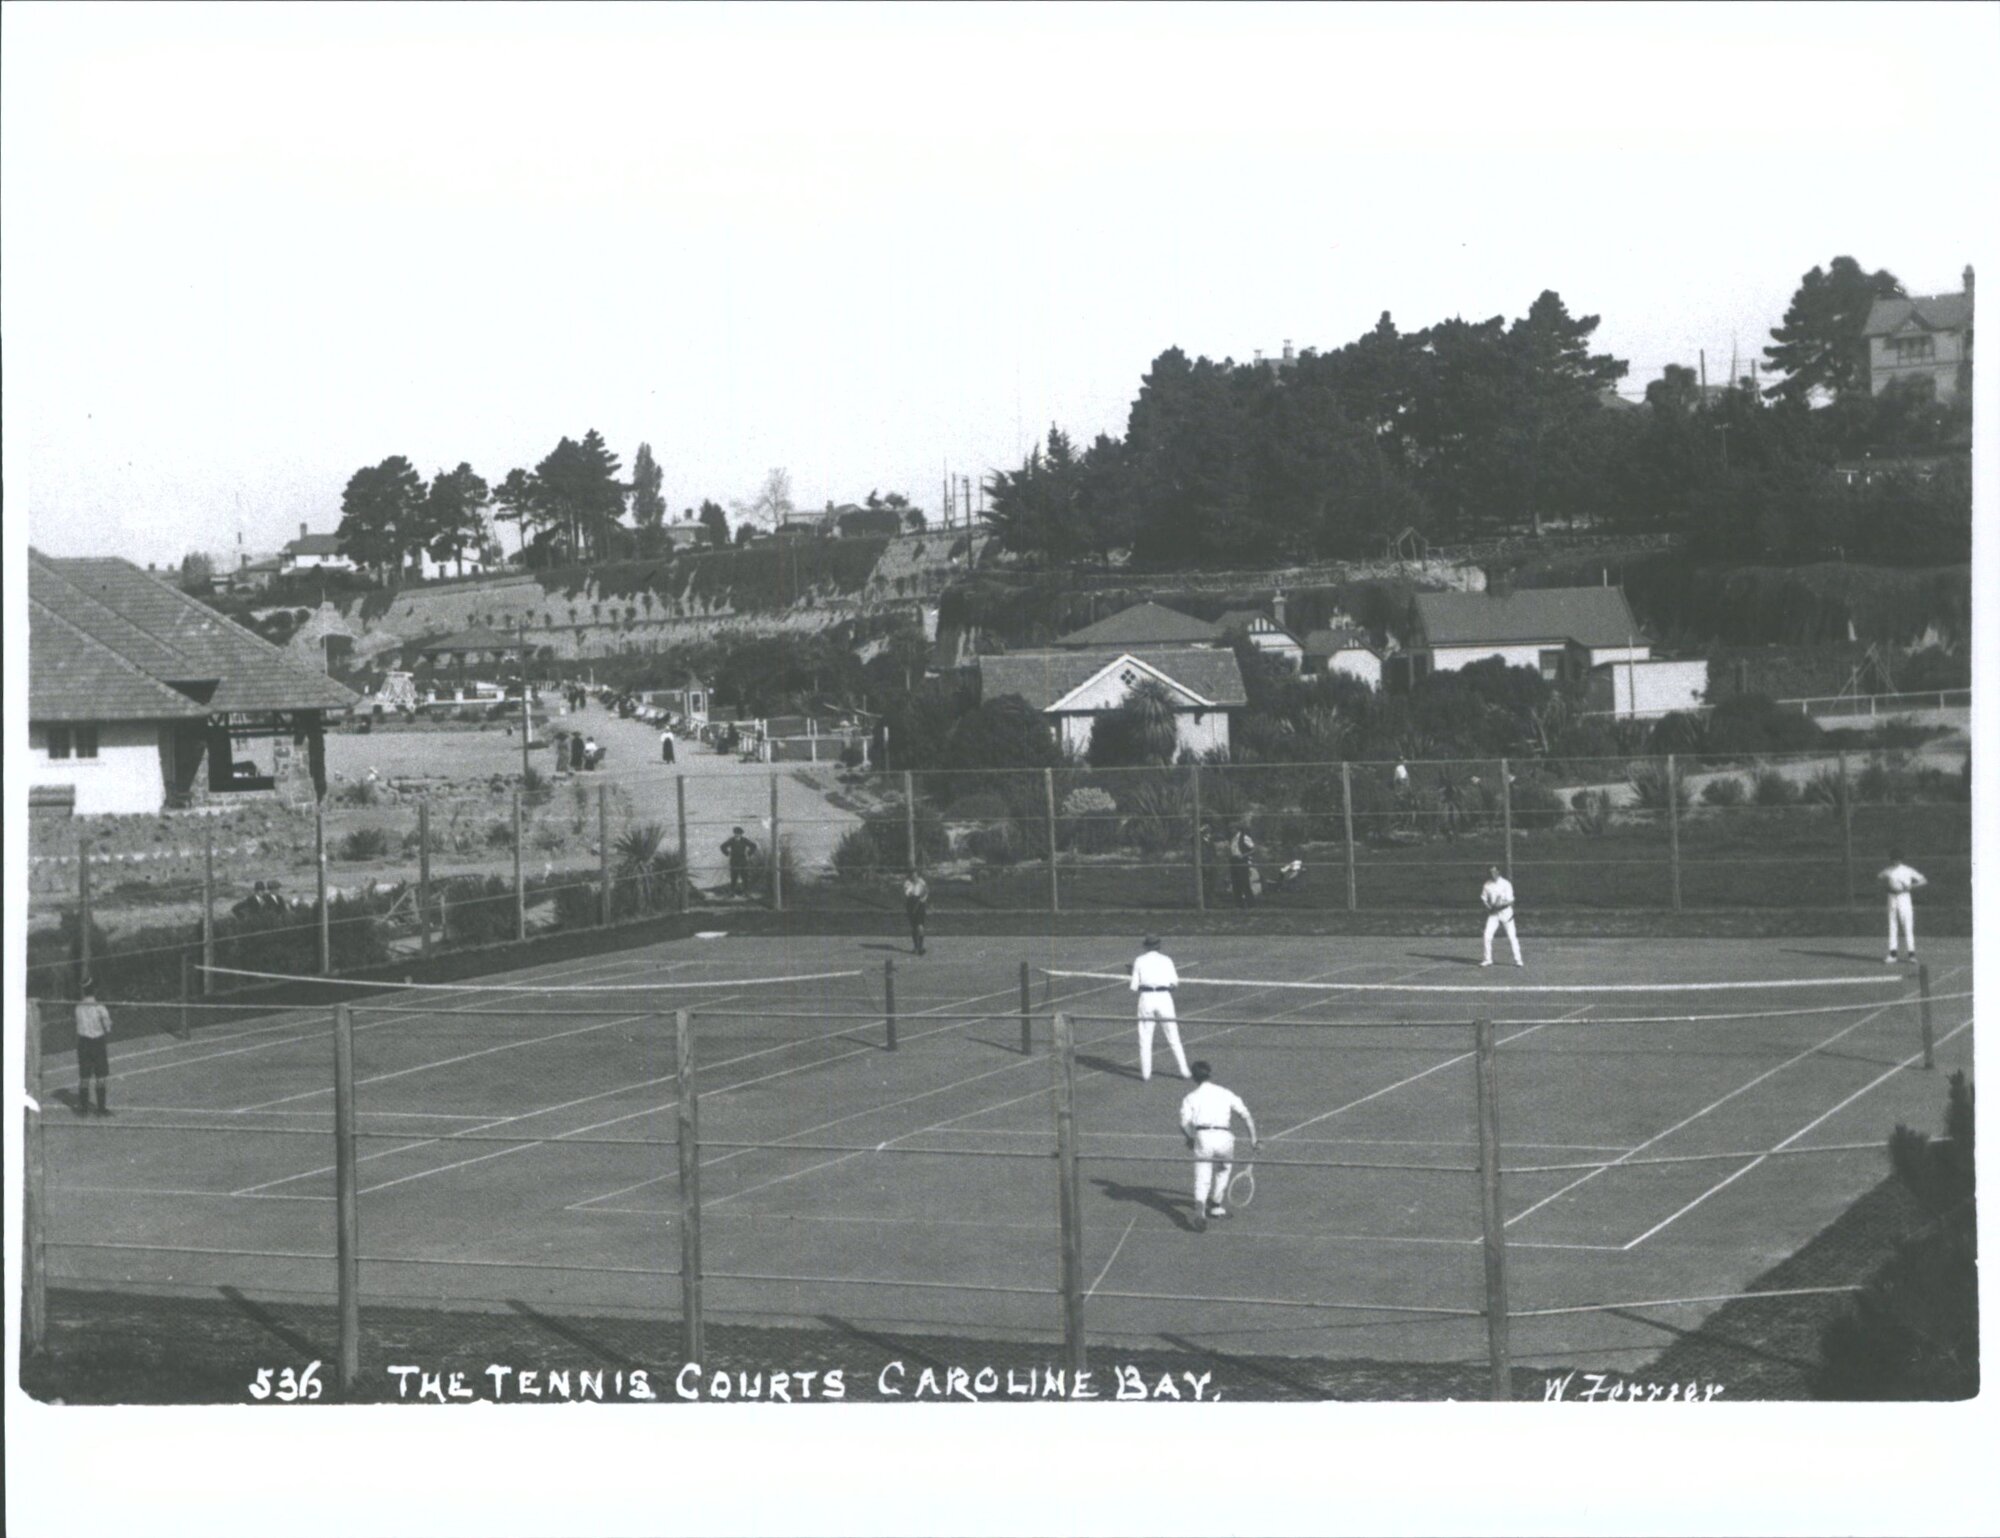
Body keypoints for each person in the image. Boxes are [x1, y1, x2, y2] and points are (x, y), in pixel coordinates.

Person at [1179, 1061, 1257, 1232]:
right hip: (1224, 1139)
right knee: (1223, 1170)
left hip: (1203, 1137)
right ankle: (1215, 1206)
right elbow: (1245, 1115)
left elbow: (1184, 1124)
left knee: (1202, 1177)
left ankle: (1200, 1213)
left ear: (1194, 1077)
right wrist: (1254, 1140)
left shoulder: (1190, 1098)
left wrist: (1191, 1137)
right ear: (1210, 1073)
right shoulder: (1225, 1093)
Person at [1130, 935, 1191, 1082]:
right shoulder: (1166, 960)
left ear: (1145, 946)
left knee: (1145, 1036)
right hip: (1164, 997)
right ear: (1158, 946)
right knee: (1173, 1035)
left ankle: (1146, 1074)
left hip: (1146, 997)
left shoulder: (1139, 960)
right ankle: (1184, 1071)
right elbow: (1174, 983)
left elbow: (1134, 986)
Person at [1878, 848, 1928, 964]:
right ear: (1891, 860)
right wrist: (1886, 886)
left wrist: (1911, 886)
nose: (1896, 861)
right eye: (1894, 859)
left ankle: (1911, 955)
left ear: (1901, 860)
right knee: (1892, 925)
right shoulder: (1888, 871)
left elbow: (1923, 880)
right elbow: (1879, 878)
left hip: (1904, 898)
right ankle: (1892, 954)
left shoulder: (1907, 870)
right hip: (1891, 898)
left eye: (1898, 859)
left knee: (1907, 925)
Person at [74, 978, 113, 1117]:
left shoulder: (78, 1007)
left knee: (84, 1077)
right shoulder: (99, 1007)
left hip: (83, 1043)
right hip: (97, 1043)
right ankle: (101, 1109)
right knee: (101, 1076)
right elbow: (108, 1027)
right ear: (94, 990)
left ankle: (83, 1110)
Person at [1480, 864, 1523, 967]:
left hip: (1506, 914)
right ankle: (1488, 959)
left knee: (1512, 937)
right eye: (1491, 872)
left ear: (1499, 872)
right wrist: (1489, 907)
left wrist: (1499, 905)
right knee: (1487, 936)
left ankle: (1518, 960)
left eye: (1495, 872)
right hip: (1493, 915)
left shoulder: (1506, 884)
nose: (1493, 874)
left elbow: (1511, 901)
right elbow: (1484, 899)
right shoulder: (1487, 884)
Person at [1227, 823, 1257, 909]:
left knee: (1244, 882)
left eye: (1232, 828)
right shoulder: (1233, 838)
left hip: (1242, 861)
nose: (1231, 830)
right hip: (1234, 861)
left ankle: (1251, 904)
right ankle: (1239, 905)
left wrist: (1243, 855)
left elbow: (1254, 849)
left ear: (1237, 829)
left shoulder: (1244, 837)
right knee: (1236, 883)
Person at [721, 826, 758, 896]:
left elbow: (753, 846)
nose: (737, 835)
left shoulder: (744, 840)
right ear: (734, 833)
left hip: (743, 860)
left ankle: (746, 892)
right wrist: (727, 853)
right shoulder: (731, 840)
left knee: (745, 877)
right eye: (736, 833)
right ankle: (731, 892)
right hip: (734, 860)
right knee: (734, 877)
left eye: (739, 833)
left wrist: (749, 854)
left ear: (741, 834)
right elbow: (722, 846)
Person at [902, 869, 930, 956]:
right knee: (914, 926)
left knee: (920, 925)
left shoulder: (922, 882)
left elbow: (926, 892)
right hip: (911, 904)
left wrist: (923, 897)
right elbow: (908, 894)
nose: (914, 877)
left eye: (916, 875)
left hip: (921, 904)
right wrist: (914, 886)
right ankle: (916, 947)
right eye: (912, 875)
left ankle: (921, 947)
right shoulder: (907, 883)